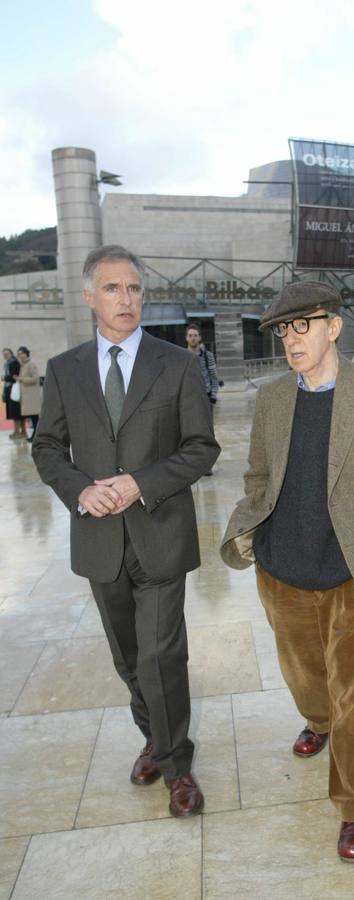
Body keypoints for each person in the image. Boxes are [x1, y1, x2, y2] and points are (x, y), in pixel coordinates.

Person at [220, 281, 354, 862]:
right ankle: (318, 718)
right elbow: (258, 478)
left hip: (350, 575)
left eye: (301, 325)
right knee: (306, 677)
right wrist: (250, 532)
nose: (291, 339)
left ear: (333, 327)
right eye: (284, 330)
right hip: (282, 570)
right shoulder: (273, 399)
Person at [32, 245, 220, 819]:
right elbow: (45, 446)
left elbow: (200, 448)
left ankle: (176, 766)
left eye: (135, 288)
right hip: (99, 542)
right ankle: (155, 737)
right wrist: (80, 491)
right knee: (129, 657)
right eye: (113, 289)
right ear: (90, 297)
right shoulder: (65, 370)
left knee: (162, 655)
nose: (127, 299)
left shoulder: (179, 364)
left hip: (160, 532)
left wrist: (140, 482)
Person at [185, 323, 219, 404]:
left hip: (206, 398)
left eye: (195, 335)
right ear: (186, 338)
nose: (193, 338)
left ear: (199, 338)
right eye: (190, 335)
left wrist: (212, 398)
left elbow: (214, 377)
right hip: (188, 399)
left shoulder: (208, 356)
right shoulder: (182, 357)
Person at [16, 346, 41, 442]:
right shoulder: (23, 365)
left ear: (26, 353)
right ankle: (35, 435)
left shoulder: (31, 365)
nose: (20, 355)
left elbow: (35, 379)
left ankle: (36, 436)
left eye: (21, 353)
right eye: (18, 354)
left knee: (35, 417)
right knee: (32, 417)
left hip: (31, 396)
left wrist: (22, 379)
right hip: (26, 396)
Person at [3, 347, 25, 440]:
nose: (5, 355)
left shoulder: (15, 362)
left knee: (16, 411)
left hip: (14, 389)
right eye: (4, 354)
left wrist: (7, 378)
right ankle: (17, 431)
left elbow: (14, 376)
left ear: (11, 354)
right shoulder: (7, 364)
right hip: (9, 389)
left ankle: (21, 431)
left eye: (7, 353)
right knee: (12, 412)